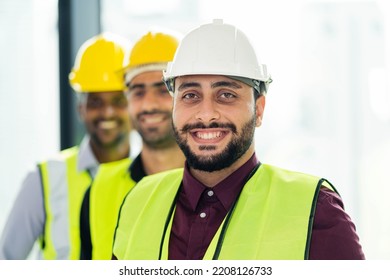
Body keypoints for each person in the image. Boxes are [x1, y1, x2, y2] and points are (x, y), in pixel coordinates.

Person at [112, 19, 365, 260]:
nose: (206, 114)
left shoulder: (316, 210)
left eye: (226, 94)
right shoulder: (139, 201)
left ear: (259, 109)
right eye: (190, 95)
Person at [0, 33, 132, 259]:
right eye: (95, 102)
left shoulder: (152, 178)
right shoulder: (44, 178)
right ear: (81, 109)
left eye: (118, 101)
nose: (107, 112)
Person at [87, 30, 185, 260]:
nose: (148, 104)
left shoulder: (216, 186)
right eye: (138, 92)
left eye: (163, 90)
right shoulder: (100, 187)